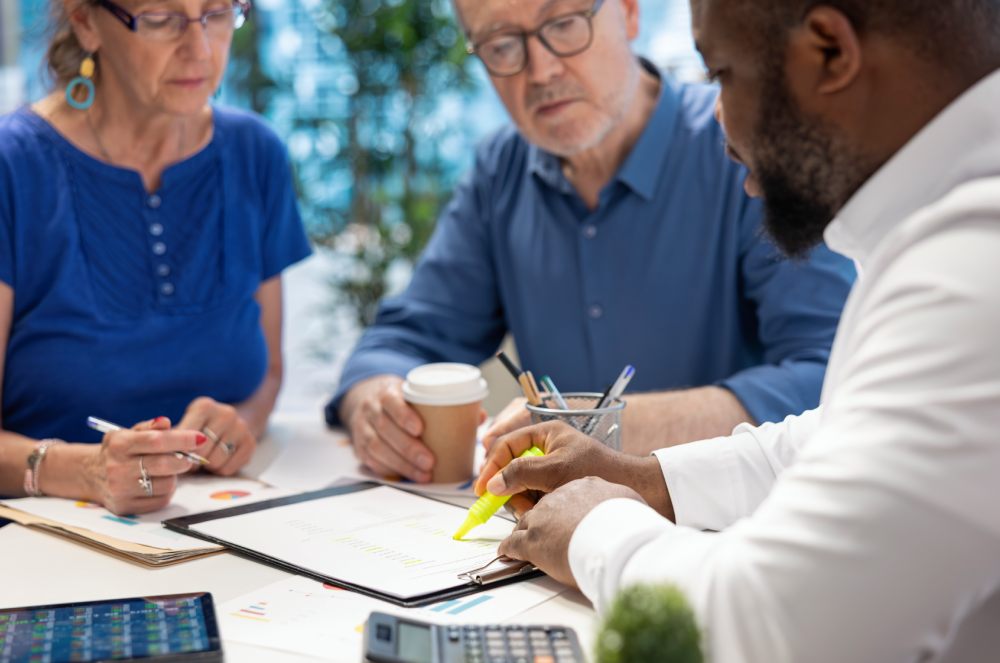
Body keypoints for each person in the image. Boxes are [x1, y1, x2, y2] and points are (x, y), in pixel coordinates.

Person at [475, 0, 1000, 660]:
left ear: (830, 52)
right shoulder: (953, 228)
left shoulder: (976, 268)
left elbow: (771, 627)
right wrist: (643, 478)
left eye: (722, 74)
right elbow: (836, 436)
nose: (719, 122)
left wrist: (594, 526)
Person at [328, 0, 855, 483]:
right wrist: (375, 402)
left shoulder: (742, 148)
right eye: (501, 45)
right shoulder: (502, 170)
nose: (542, 70)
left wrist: (602, 428)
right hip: (559, 544)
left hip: (731, 531)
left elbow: (830, 379)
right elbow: (405, 338)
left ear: (629, 12)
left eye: (564, 25)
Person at [0, 0, 311, 516]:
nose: (200, 49)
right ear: (85, 21)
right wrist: (85, 470)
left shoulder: (256, 153)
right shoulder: (14, 168)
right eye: (162, 19)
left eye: (215, 13)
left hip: (215, 525)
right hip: (43, 544)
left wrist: (242, 424)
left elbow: (268, 374)